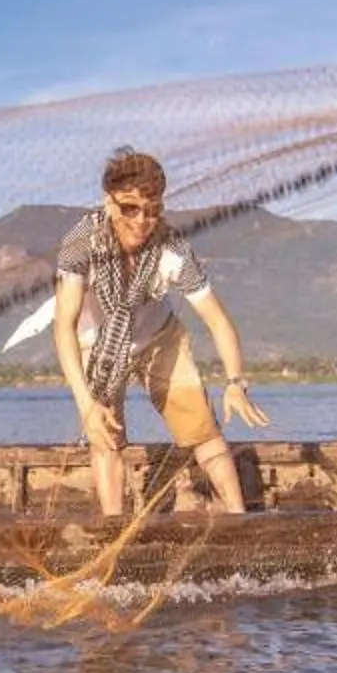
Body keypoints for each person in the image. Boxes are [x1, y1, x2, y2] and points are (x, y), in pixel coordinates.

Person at [50, 150, 269, 517]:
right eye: (129, 209)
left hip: (158, 337)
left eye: (152, 210)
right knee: (106, 438)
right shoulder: (81, 243)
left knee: (203, 430)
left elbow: (217, 320)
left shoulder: (173, 250)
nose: (141, 221)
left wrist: (235, 381)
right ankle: (113, 529)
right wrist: (87, 404)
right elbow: (63, 327)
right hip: (96, 345)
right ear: (109, 202)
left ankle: (238, 519)